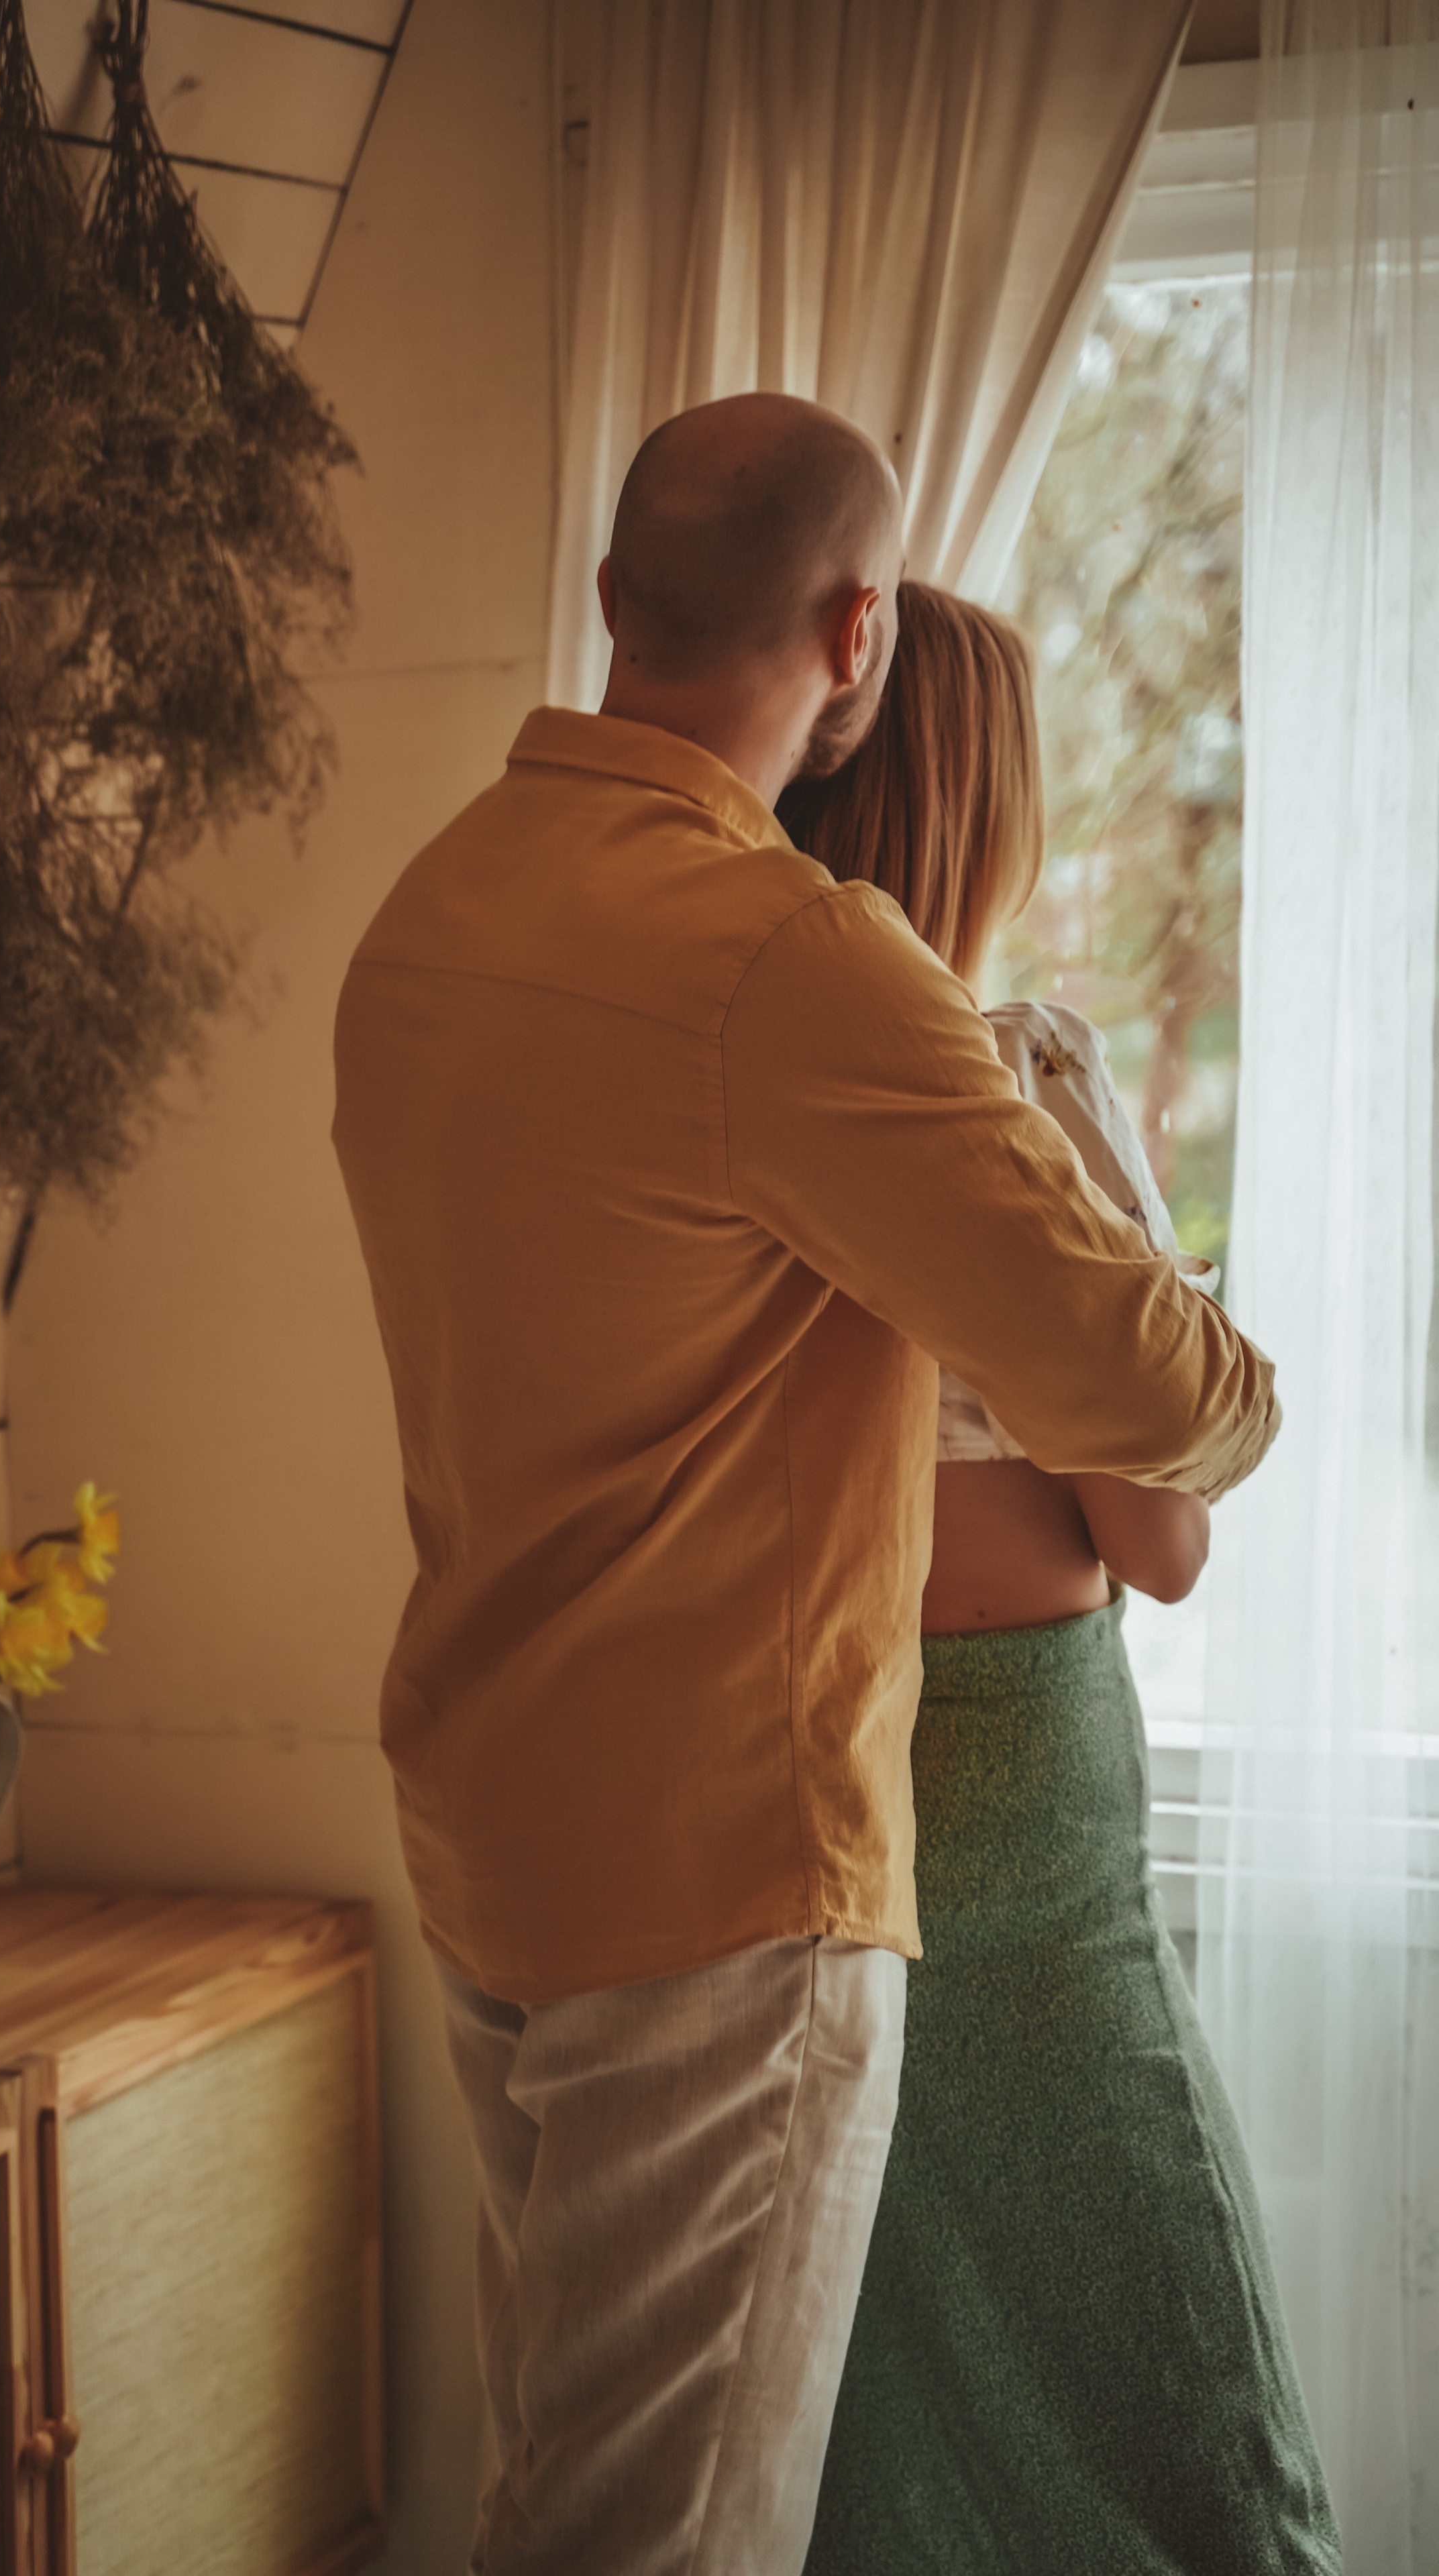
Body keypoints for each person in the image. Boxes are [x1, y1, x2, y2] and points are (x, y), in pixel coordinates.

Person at [331, 394, 1281, 2574]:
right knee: (677, 2541)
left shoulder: (435, 910)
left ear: (613, 600)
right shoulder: (790, 965)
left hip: (493, 1829)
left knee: (562, 2487)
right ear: (857, 634)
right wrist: (1233, 1376)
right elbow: (1165, 1409)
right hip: (725, 1879)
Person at [782, 582, 1340, 2575]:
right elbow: (1164, 1540)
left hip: (808, 1788)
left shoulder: (731, 1086)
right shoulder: (1013, 1077)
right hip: (1022, 1801)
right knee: (1172, 2377)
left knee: (876, 2394)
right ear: (987, 810)